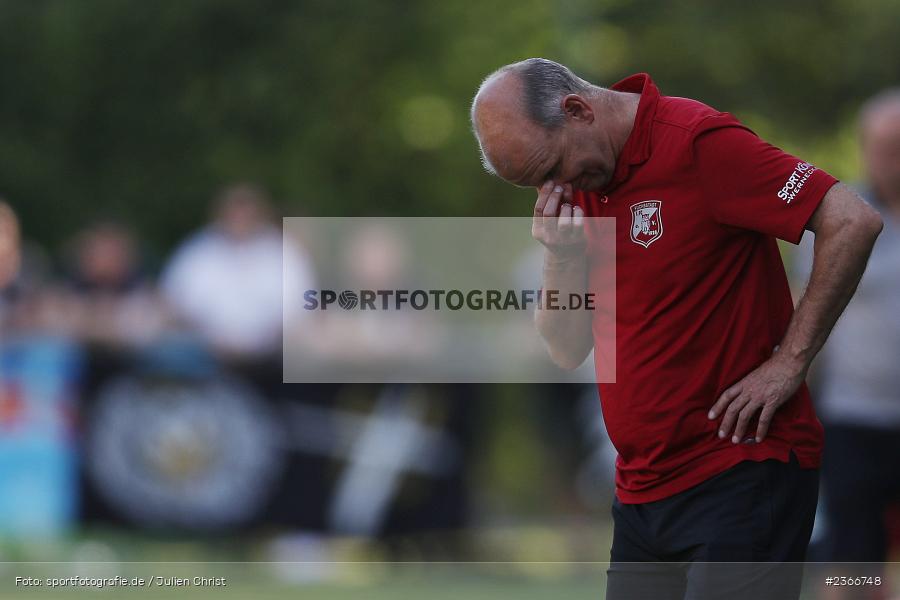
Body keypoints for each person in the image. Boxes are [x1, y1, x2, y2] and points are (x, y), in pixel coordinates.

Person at [470, 58, 883, 600]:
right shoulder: (581, 189)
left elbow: (851, 219)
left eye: (552, 167)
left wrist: (789, 363)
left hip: (741, 472)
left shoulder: (698, 143)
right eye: (535, 183)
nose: (553, 189)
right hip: (642, 490)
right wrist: (559, 256)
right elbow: (566, 348)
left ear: (576, 110)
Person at [795, 89, 900, 600]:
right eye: (882, 147)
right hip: (852, 419)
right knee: (854, 562)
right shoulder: (840, 221)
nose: (890, 159)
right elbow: (802, 321)